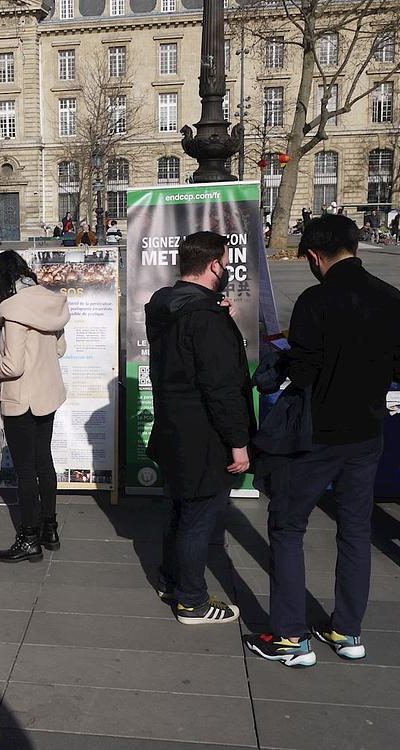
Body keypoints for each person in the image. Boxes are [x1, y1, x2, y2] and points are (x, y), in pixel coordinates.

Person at [245, 215, 400, 668]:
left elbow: (303, 371)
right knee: (356, 530)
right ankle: (347, 629)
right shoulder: (392, 297)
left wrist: (283, 363)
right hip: (366, 432)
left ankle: (288, 636)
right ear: (355, 247)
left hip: (316, 434)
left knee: (287, 527)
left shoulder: (316, 300)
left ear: (316, 256)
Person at [144, 231, 253, 625]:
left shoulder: (164, 303)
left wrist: (216, 312)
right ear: (214, 265)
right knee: (199, 516)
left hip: (172, 425)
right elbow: (221, 388)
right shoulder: (204, 318)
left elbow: (184, 352)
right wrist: (238, 443)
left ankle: (172, 580)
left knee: (180, 509)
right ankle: (191, 600)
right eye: (224, 262)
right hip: (204, 433)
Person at [0, 250, 70, 563]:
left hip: (21, 398)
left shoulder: (11, 308)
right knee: (44, 462)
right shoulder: (51, 301)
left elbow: (13, 366)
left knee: (24, 470)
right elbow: (60, 348)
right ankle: (50, 529)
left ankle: (29, 538)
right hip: (47, 394)